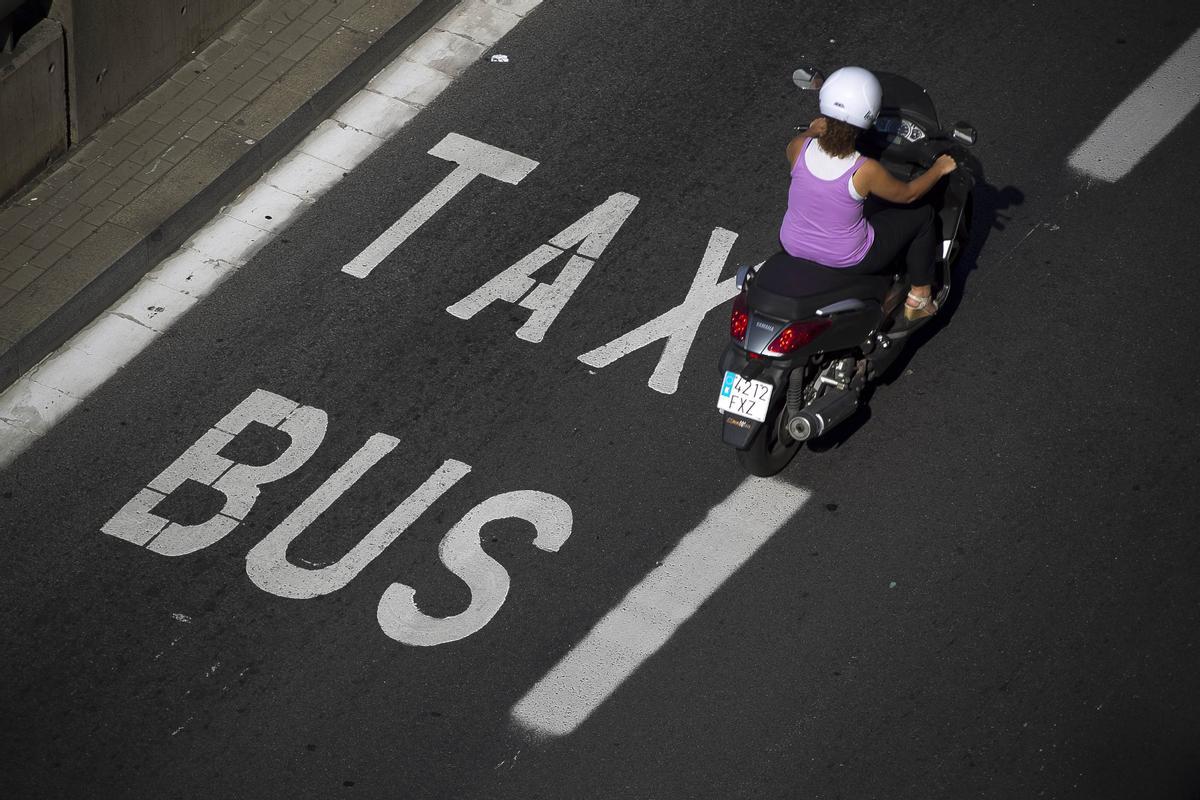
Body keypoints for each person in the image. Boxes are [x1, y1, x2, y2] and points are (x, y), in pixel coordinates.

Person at [779, 66, 958, 321]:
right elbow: (909, 194)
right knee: (923, 215)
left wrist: (813, 130)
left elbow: (809, 138)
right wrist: (939, 169)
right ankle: (920, 296)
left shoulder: (797, 147)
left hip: (792, 243)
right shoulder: (864, 170)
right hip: (849, 257)